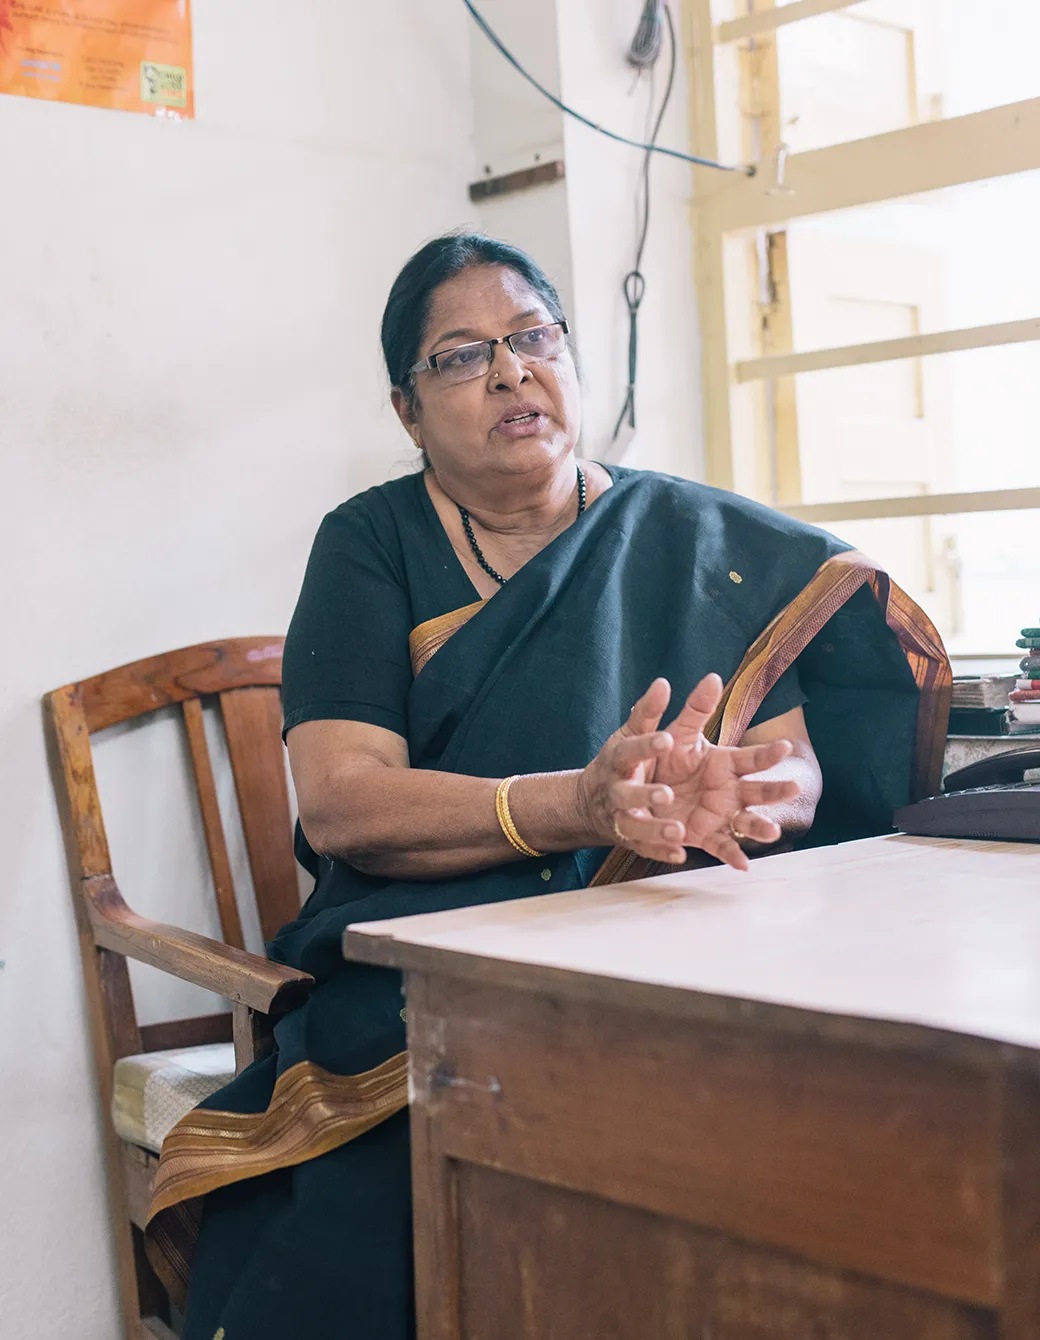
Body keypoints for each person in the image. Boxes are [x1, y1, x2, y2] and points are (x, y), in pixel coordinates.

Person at [146, 233, 949, 1339]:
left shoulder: (697, 539)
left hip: (669, 935)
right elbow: (342, 801)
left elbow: (793, 765)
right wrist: (578, 803)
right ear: (407, 410)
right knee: (395, 1199)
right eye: (461, 355)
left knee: (827, 1130)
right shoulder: (371, 543)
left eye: (532, 337)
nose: (511, 372)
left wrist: (741, 793)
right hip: (427, 963)